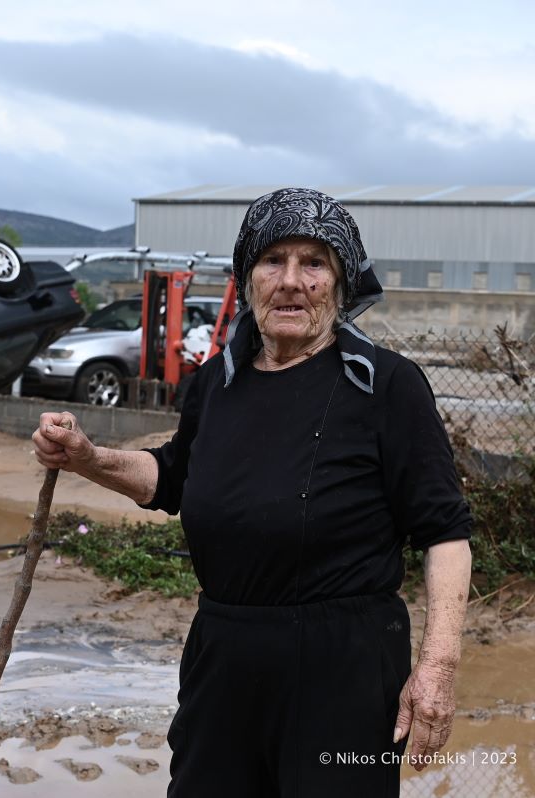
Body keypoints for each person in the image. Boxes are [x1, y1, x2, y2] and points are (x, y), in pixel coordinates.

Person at [32, 187, 472, 797]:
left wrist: (438, 665)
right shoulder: (217, 381)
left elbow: (445, 533)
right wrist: (89, 456)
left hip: (344, 665)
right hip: (224, 656)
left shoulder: (388, 386)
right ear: (246, 279)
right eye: (273, 261)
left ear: (341, 284)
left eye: (314, 263)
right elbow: (172, 478)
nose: (291, 281)